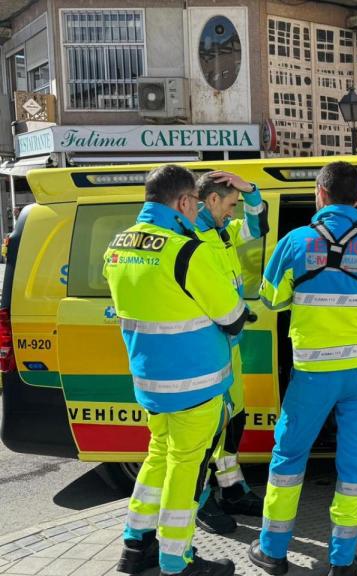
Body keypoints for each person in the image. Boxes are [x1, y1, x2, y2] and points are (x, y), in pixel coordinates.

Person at [248, 161, 357, 576]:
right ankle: (342, 560)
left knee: (288, 458)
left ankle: (272, 551)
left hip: (312, 374)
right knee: (355, 465)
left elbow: (271, 300)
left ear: (319, 195)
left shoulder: (294, 242)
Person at [106, 165, 248, 576]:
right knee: (187, 470)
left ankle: (135, 548)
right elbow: (233, 316)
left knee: (156, 459)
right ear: (185, 202)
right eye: (191, 207)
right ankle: (175, 559)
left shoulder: (118, 246)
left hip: (150, 381)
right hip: (196, 384)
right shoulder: (187, 250)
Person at [193, 171, 270, 534]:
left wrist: (250, 191)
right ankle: (200, 501)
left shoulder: (220, 234)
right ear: (210, 201)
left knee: (233, 419)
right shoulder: (192, 236)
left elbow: (257, 229)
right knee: (206, 431)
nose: (232, 212)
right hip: (207, 349)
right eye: (230, 204)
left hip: (230, 346)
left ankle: (231, 488)